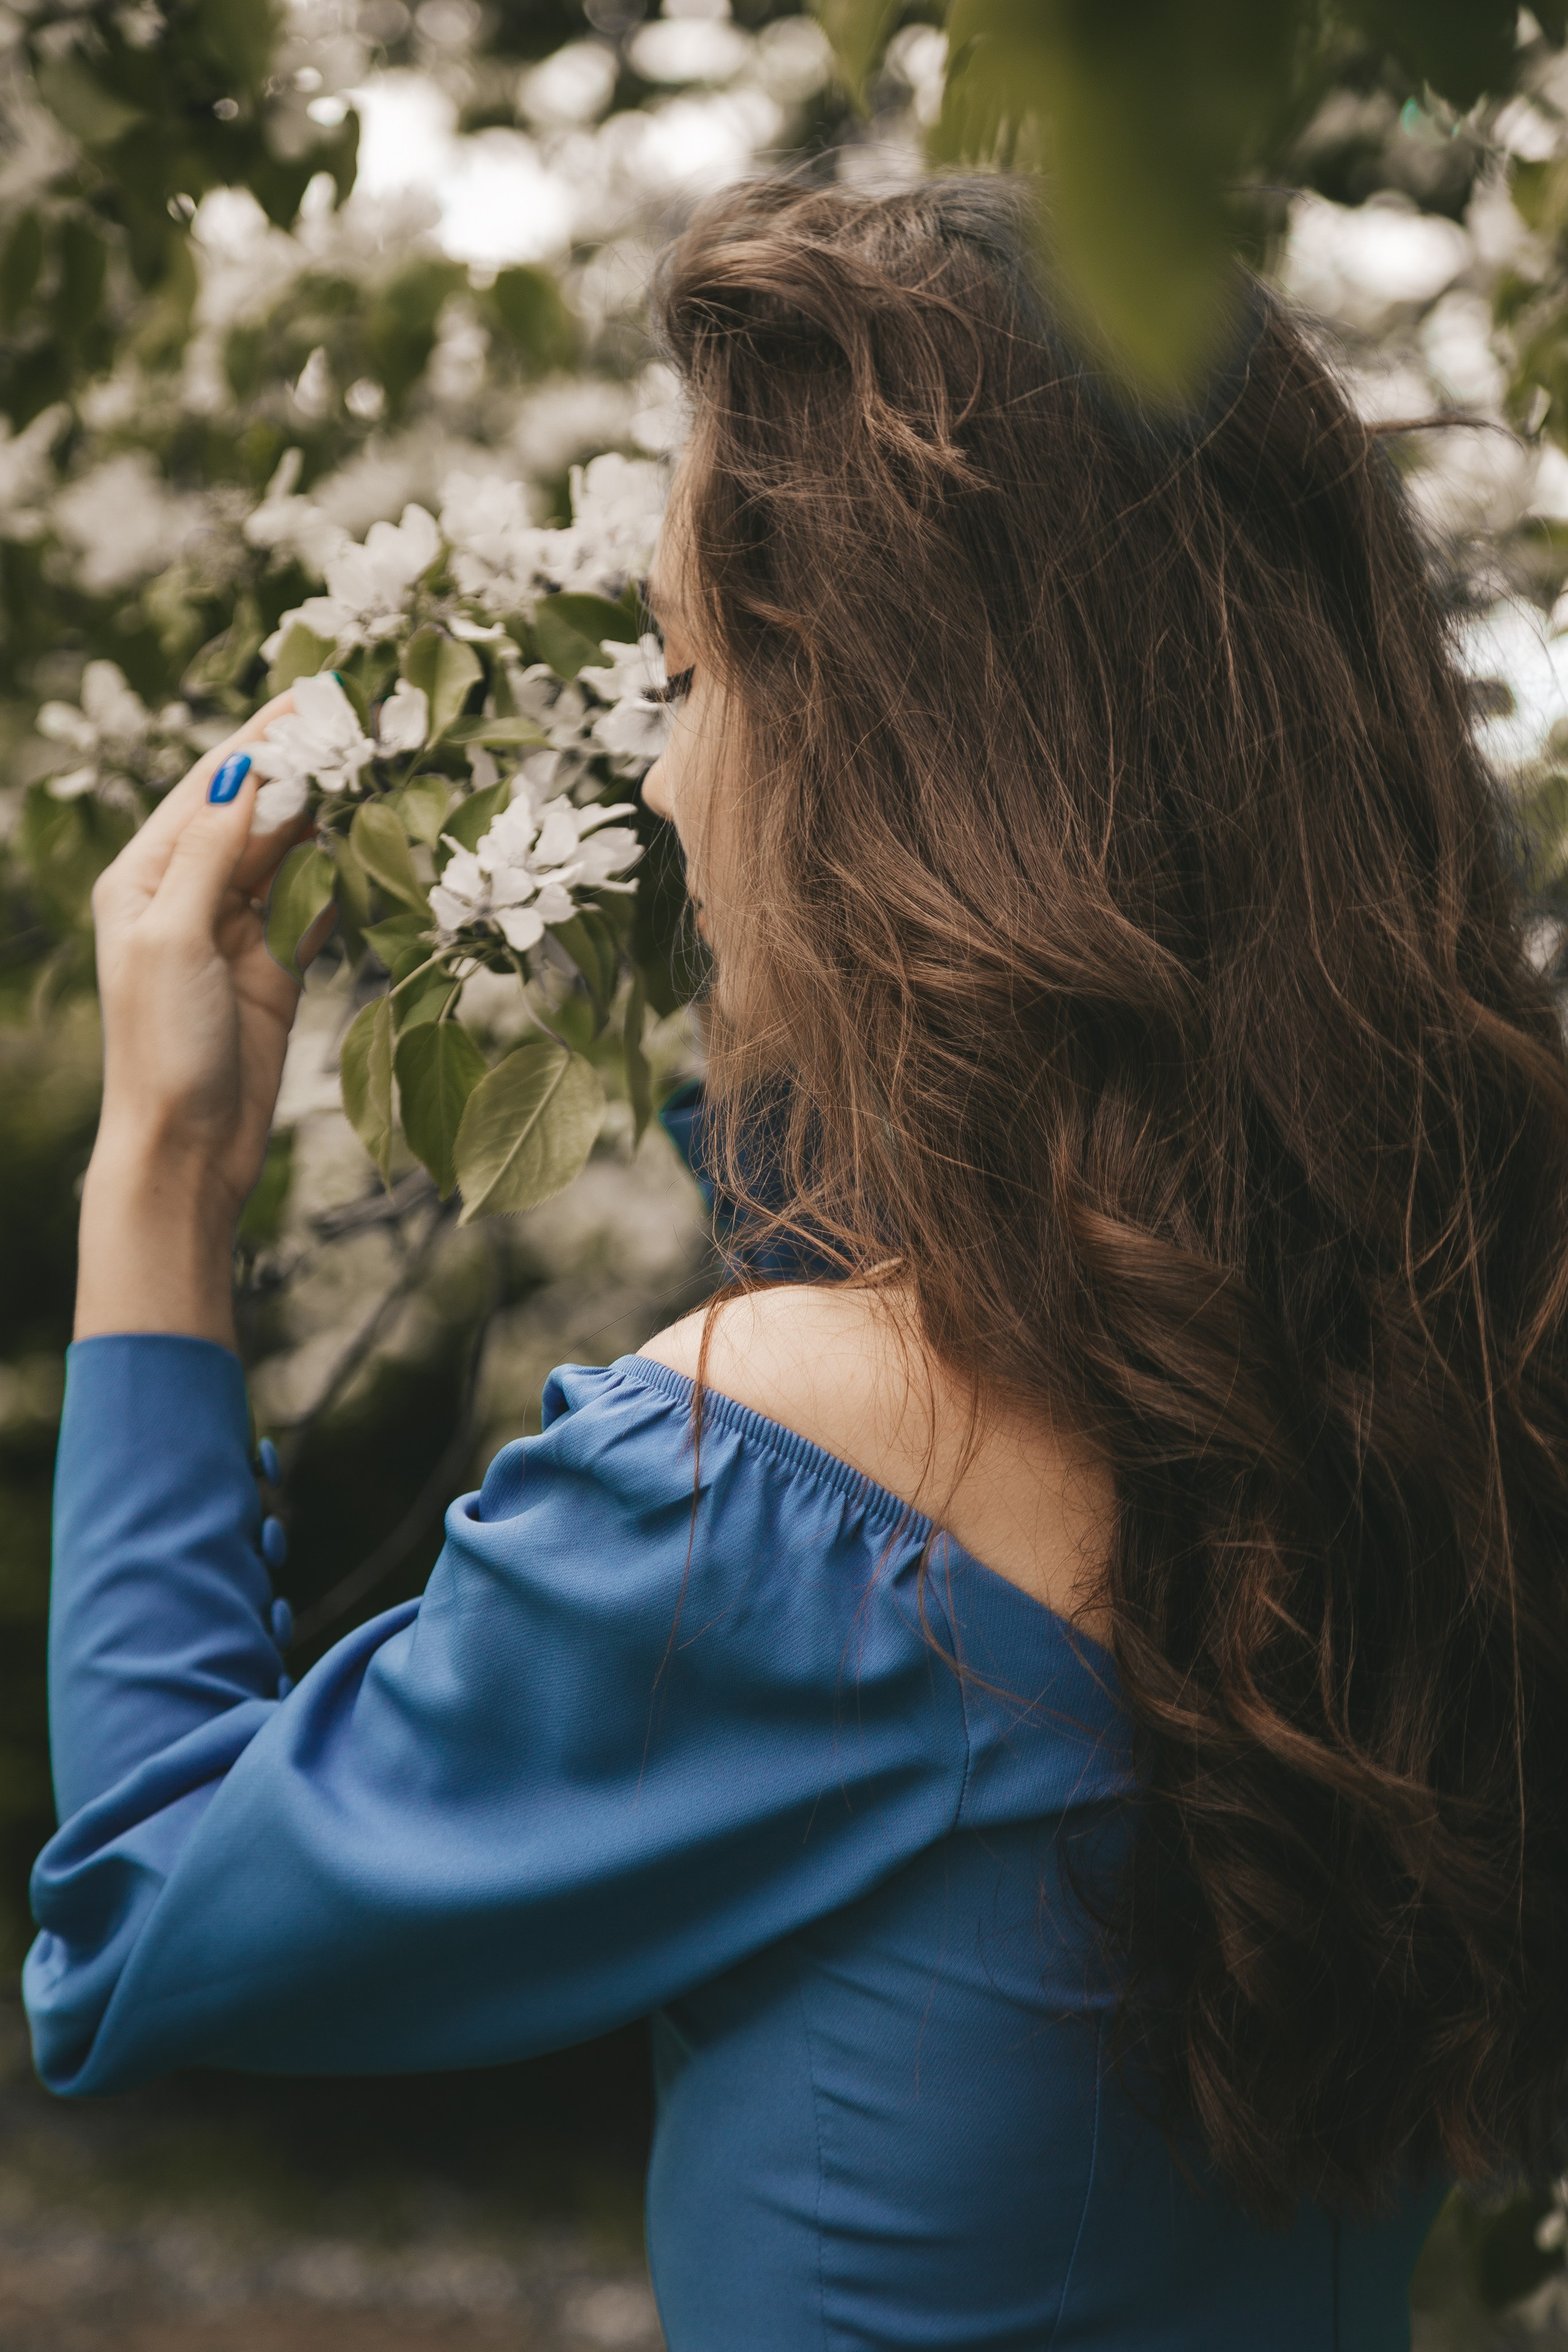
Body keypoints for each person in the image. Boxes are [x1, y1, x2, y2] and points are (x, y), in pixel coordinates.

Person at [24, 175, 1568, 2350]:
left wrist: (164, 1174)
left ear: (885, 746)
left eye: (689, 674)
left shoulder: (816, 1471)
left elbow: (147, 1923)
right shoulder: (1446, 1365)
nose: (657, 782)